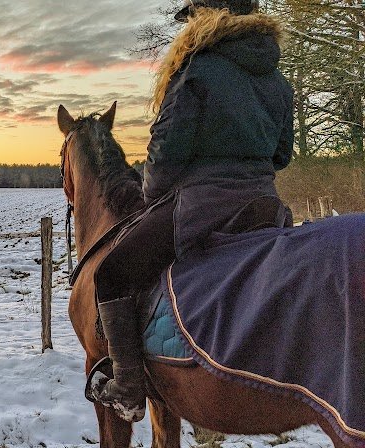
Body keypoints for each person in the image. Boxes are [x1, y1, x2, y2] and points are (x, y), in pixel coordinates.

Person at [88, 0, 294, 422]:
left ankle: (127, 387)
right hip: (266, 207)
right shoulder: (277, 80)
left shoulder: (196, 69)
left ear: (208, 16)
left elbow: (163, 159)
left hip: (202, 208)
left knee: (111, 272)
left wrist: (152, 192)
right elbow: (282, 154)